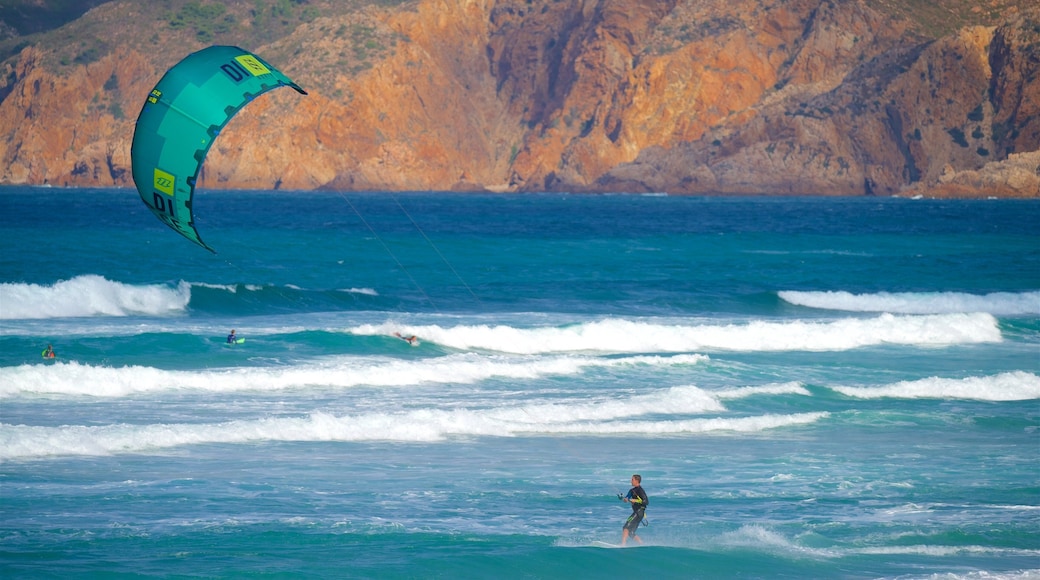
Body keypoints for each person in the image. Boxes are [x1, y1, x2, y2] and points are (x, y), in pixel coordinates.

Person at [620, 474, 648, 546]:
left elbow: (646, 501)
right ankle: (642, 544)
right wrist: (624, 499)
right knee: (630, 532)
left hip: (639, 512)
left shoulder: (640, 490)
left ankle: (623, 544)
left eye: (632, 479)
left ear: (637, 481)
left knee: (626, 527)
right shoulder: (631, 490)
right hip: (637, 513)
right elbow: (627, 498)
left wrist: (635, 500)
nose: (631, 481)